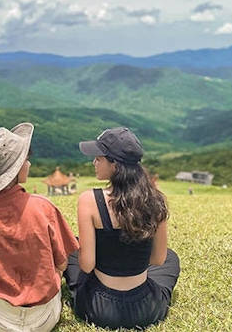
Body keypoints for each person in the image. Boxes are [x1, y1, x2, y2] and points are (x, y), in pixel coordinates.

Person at [0, 123, 79, 332]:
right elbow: (62, 266)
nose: (28, 163)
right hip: (45, 319)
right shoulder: (44, 207)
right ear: (17, 168)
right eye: (25, 159)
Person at [64, 127, 180, 329]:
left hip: (98, 309)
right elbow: (158, 259)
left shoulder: (90, 200)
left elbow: (87, 265)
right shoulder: (156, 199)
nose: (94, 162)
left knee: (72, 252)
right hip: (146, 308)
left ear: (115, 166)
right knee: (171, 258)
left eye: (98, 158)